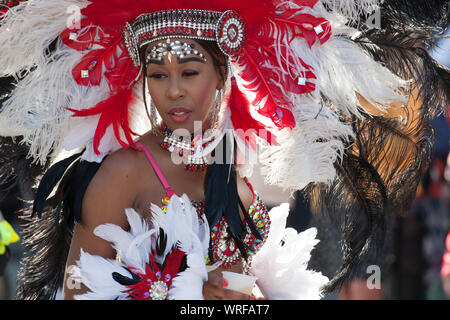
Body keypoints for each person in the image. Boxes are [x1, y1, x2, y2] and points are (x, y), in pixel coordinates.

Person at [0, 0, 448, 300]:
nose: (173, 91)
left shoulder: (233, 161)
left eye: (189, 72)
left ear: (222, 74)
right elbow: (77, 288)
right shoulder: (125, 170)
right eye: (157, 75)